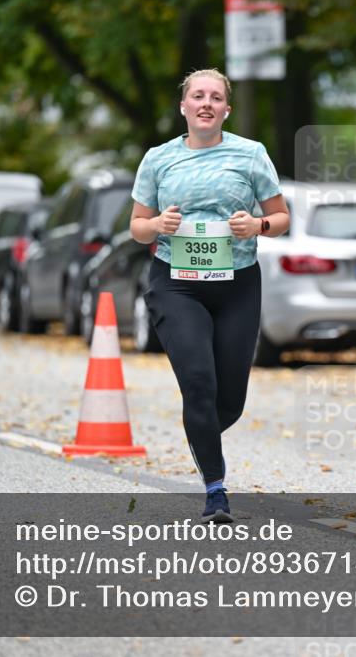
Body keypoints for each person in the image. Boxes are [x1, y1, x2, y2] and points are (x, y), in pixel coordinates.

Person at [129, 68, 290, 524]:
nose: (206, 103)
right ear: (183, 107)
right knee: (199, 381)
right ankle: (215, 491)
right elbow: (137, 227)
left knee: (229, 401)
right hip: (176, 284)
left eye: (215, 97)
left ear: (226, 109)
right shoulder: (159, 159)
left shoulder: (250, 153)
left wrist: (256, 225)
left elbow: (281, 218)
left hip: (236, 284)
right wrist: (158, 225)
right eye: (197, 96)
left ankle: (200, 431)